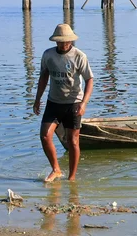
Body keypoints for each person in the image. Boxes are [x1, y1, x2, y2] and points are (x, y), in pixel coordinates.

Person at [33, 24, 94, 182]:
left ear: (71, 41)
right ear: (56, 41)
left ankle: (72, 178)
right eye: (60, 41)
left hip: (73, 102)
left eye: (66, 41)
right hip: (54, 102)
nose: (63, 44)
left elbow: (89, 80)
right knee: (45, 135)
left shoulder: (79, 56)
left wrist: (84, 103)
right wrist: (37, 99)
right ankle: (56, 169)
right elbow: (43, 77)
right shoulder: (48, 55)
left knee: (73, 140)